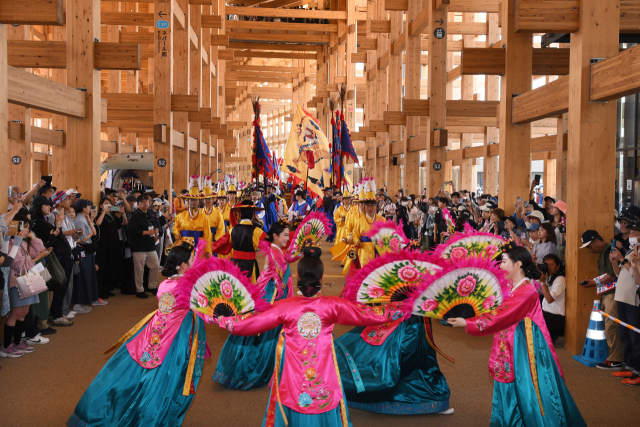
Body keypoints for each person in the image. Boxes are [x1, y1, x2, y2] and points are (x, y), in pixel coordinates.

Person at [216, 246, 404, 427]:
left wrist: (223, 320)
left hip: (293, 378)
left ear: (298, 277)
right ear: (321, 278)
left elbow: (249, 323)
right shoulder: (332, 306)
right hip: (324, 376)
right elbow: (368, 314)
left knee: (293, 403)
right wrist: (400, 307)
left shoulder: (285, 307)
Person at [67, 244, 209, 427]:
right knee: (168, 375)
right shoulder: (188, 287)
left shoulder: (166, 283)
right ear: (182, 265)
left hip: (156, 330)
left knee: (136, 370)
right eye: (192, 259)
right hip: (177, 335)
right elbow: (206, 311)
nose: (195, 261)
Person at [448, 246, 586, 426]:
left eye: (504, 261)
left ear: (518, 264)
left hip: (525, 348)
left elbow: (502, 314)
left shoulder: (527, 291)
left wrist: (468, 323)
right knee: (511, 385)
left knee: (528, 388)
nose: (500, 265)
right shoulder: (510, 287)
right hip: (511, 343)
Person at [213, 220, 296, 390]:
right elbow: (267, 276)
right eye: (285, 235)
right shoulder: (273, 254)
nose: (288, 239)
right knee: (267, 331)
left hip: (273, 293)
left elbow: (285, 260)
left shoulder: (276, 250)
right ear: (275, 236)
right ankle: (258, 367)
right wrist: (275, 287)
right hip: (273, 296)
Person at [0, 222, 51, 358]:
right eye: (24, 226)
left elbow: (41, 250)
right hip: (17, 282)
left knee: (24, 312)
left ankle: (17, 342)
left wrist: (33, 238)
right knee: (15, 313)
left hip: (29, 280)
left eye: (28, 227)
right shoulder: (12, 243)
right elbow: (19, 266)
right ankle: (6, 345)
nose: (27, 229)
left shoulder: (24, 242)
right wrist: (38, 258)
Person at [579, 230, 624, 369]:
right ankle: (614, 357)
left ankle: (616, 359)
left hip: (613, 294)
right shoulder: (604, 252)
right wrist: (595, 282)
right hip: (607, 293)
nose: (590, 250)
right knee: (609, 325)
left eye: (590, 246)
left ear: (597, 241)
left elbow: (612, 274)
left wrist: (595, 283)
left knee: (611, 326)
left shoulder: (610, 251)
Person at [610, 223, 640, 385]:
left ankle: (637, 371)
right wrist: (615, 262)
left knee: (635, 338)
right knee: (625, 336)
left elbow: (636, 275)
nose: (632, 236)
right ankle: (629, 366)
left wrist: (622, 259)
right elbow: (619, 273)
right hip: (621, 297)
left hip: (633, 300)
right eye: (632, 233)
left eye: (635, 233)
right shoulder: (630, 251)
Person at [211, 200, 266, 281]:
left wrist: (207, 247)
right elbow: (270, 244)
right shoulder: (257, 231)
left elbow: (220, 245)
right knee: (249, 287)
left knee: (235, 286)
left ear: (240, 215)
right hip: (250, 266)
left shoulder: (233, 230)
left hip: (235, 265)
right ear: (253, 215)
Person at [128, 195, 160, 299]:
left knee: (155, 266)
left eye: (146, 201)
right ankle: (139, 290)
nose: (145, 203)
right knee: (139, 270)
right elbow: (131, 232)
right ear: (138, 204)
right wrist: (146, 232)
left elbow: (154, 225)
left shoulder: (150, 213)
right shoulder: (135, 216)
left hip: (150, 245)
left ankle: (151, 286)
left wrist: (156, 231)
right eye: (142, 202)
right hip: (139, 247)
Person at [540, 254, 566, 343]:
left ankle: (551, 335)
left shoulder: (560, 279)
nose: (548, 267)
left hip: (555, 318)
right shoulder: (547, 276)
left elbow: (549, 300)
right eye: (546, 264)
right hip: (547, 314)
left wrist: (543, 282)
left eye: (551, 264)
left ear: (558, 267)